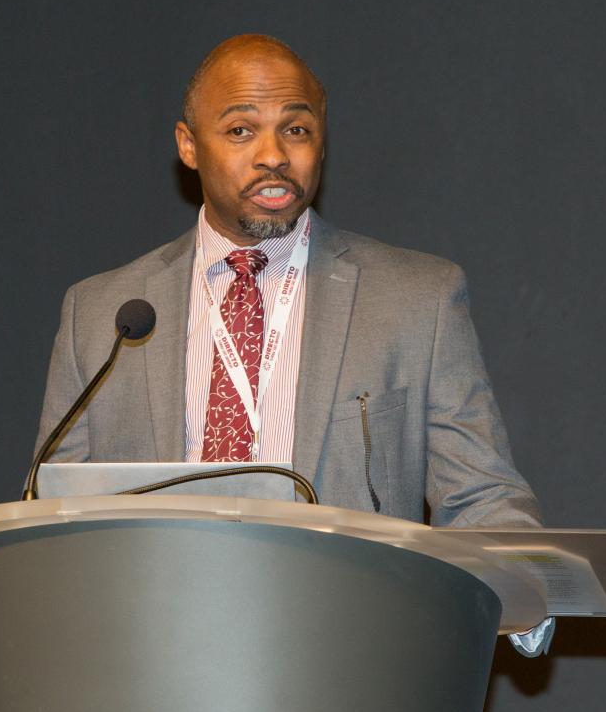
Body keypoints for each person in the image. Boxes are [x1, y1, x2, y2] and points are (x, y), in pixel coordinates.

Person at [34, 34, 539, 529]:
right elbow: (51, 514)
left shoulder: (418, 302)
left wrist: (530, 590)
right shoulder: (102, 315)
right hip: (156, 609)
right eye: (240, 131)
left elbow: (482, 501)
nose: (274, 155)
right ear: (188, 146)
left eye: (296, 129)